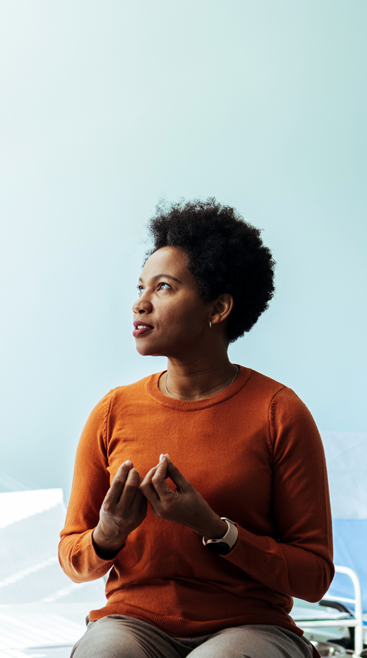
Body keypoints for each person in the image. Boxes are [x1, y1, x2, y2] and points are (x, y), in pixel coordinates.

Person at [58, 199, 331, 658]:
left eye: (163, 287)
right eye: (141, 286)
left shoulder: (279, 412)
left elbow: (314, 577)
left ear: (218, 308)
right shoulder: (113, 411)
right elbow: (74, 559)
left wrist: (215, 528)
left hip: (251, 625)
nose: (139, 303)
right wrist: (108, 533)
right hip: (133, 621)